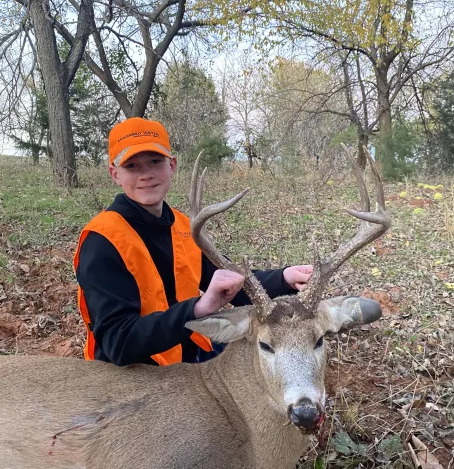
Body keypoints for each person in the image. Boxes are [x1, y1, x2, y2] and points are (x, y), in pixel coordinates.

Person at [74, 117, 313, 367]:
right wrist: (198, 309)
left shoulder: (183, 227)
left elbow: (230, 282)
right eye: (132, 166)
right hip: (133, 374)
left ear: (172, 166)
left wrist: (284, 277)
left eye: (155, 162)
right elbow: (118, 344)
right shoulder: (102, 240)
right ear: (115, 174)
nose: (146, 175)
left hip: (187, 354)